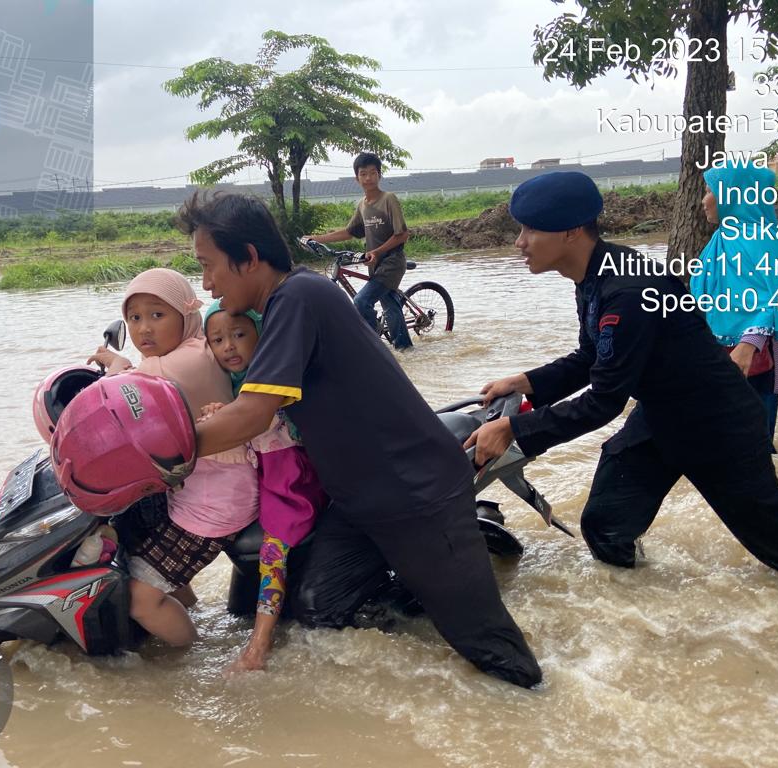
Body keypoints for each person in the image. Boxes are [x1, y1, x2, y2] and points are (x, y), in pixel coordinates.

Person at [181, 190, 542, 688]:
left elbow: (251, 414)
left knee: (494, 653)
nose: (206, 283)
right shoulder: (292, 301)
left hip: (417, 496)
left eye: (208, 265)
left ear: (247, 257)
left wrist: (163, 448)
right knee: (316, 607)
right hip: (359, 502)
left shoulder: (298, 298)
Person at [464, 171, 778, 578]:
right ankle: (640, 606)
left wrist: (512, 429)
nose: (519, 242)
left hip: (718, 424)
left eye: (530, 230)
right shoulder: (594, 276)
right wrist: (525, 382)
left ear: (569, 232)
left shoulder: (627, 289)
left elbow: (604, 400)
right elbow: (594, 355)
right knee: (606, 524)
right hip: (662, 415)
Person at [86, 268, 262, 660]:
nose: (143, 328)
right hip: (204, 486)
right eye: (134, 318)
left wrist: (115, 365)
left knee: (140, 598)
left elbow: (125, 388)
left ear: (186, 316)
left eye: (157, 315)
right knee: (137, 545)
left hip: (216, 501)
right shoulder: (195, 347)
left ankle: (192, 659)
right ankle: (189, 610)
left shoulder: (179, 364)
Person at [201, 300, 325, 670]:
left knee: (273, 554)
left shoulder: (276, 381)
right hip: (265, 479)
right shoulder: (235, 384)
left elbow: (263, 418)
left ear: (262, 337)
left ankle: (259, 644)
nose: (229, 347)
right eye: (218, 339)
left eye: (239, 335)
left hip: (292, 483)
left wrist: (226, 416)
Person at [691, 163, 778, 445]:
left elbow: (774, 298)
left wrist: (747, 346)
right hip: (719, 355)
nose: (704, 200)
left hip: (750, 357)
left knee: (753, 445)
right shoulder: (720, 240)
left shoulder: (761, 239)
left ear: (734, 196)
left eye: (709, 191)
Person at [305, 152, 413, 350]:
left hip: (392, 262)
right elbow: (349, 232)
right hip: (375, 263)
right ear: (357, 178)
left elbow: (402, 234)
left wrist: (378, 252)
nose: (368, 178)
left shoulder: (388, 199)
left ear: (379, 175)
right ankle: (405, 348)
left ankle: (374, 348)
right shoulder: (362, 206)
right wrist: (316, 238)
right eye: (363, 174)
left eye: (373, 173)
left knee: (362, 301)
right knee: (389, 304)